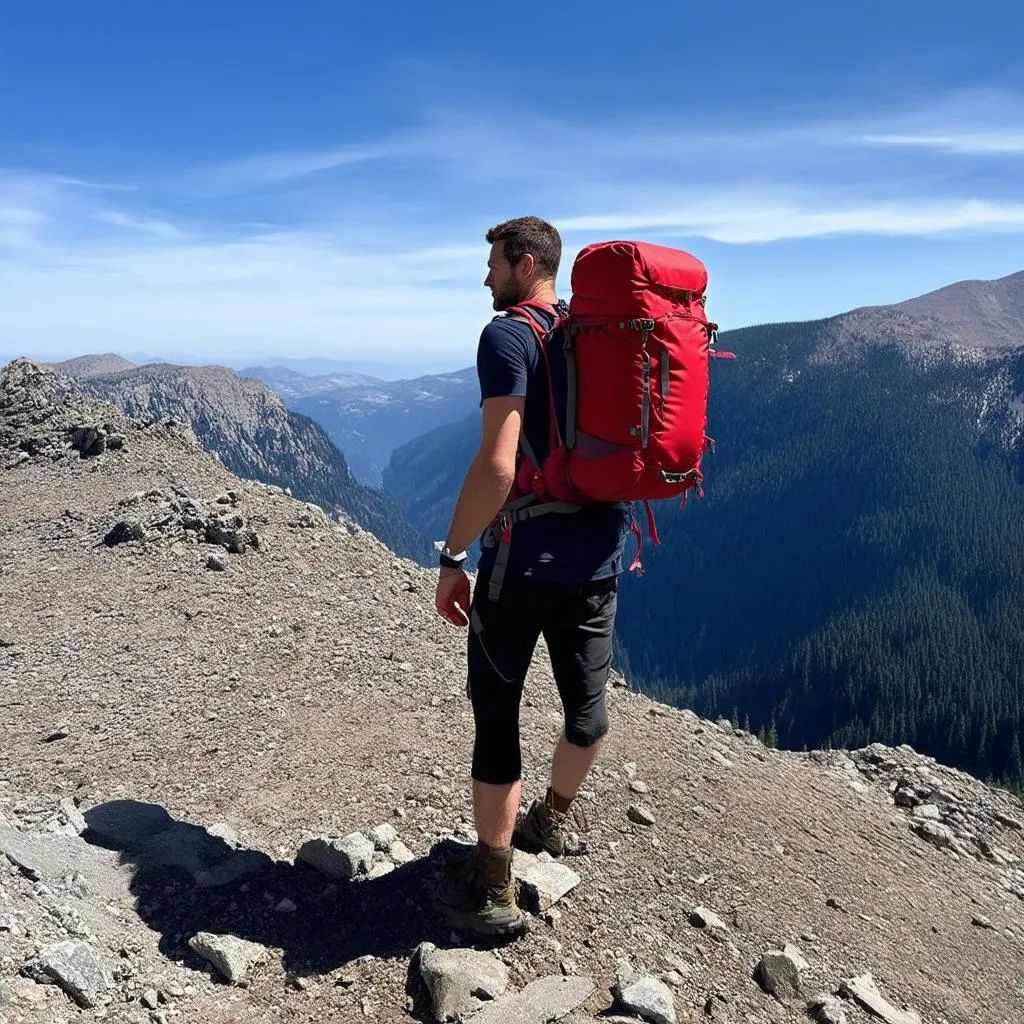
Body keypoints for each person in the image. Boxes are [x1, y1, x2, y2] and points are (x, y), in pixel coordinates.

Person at [433, 216, 629, 936]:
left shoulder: (508, 335)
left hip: (520, 563)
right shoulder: (593, 333)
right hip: (600, 555)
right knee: (587, 708)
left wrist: (453, 557)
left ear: (523, 263)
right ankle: (553, 818)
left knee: (497, 714)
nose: (484, 277)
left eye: (491, 264)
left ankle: (491, 884)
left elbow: (498, 464)